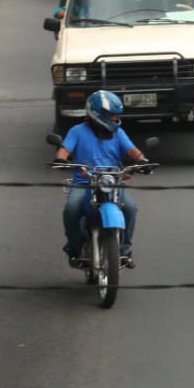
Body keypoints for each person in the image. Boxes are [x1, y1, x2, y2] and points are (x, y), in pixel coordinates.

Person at [55, 90, 150, 266]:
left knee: (130, 208)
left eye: (116, 115)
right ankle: (74, 248)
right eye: (111, 115)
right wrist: (60, 159)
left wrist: (143, 161)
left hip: (112, 182)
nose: (115, 119)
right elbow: (64, 149)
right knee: (71, 209)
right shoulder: (77, 131)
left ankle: (125, 252)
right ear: (97, 113)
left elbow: (132, 150)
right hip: (84, 182)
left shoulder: (118, 133)